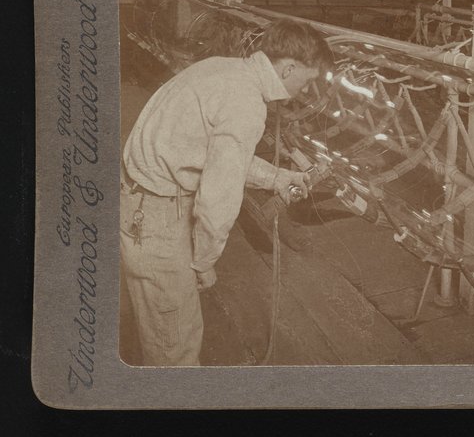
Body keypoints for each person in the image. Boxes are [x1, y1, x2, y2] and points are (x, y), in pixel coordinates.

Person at [120, 20, 335, 366]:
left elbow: (213, 153)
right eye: (308, 80)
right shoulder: (246, 103)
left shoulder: (224, 69)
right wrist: (204, 262)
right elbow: (217, 199)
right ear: (289, 68)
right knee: (173, 348)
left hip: (143, 202)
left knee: (169, 328)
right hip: (156, 220)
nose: (307, 90)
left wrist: (276, 177)